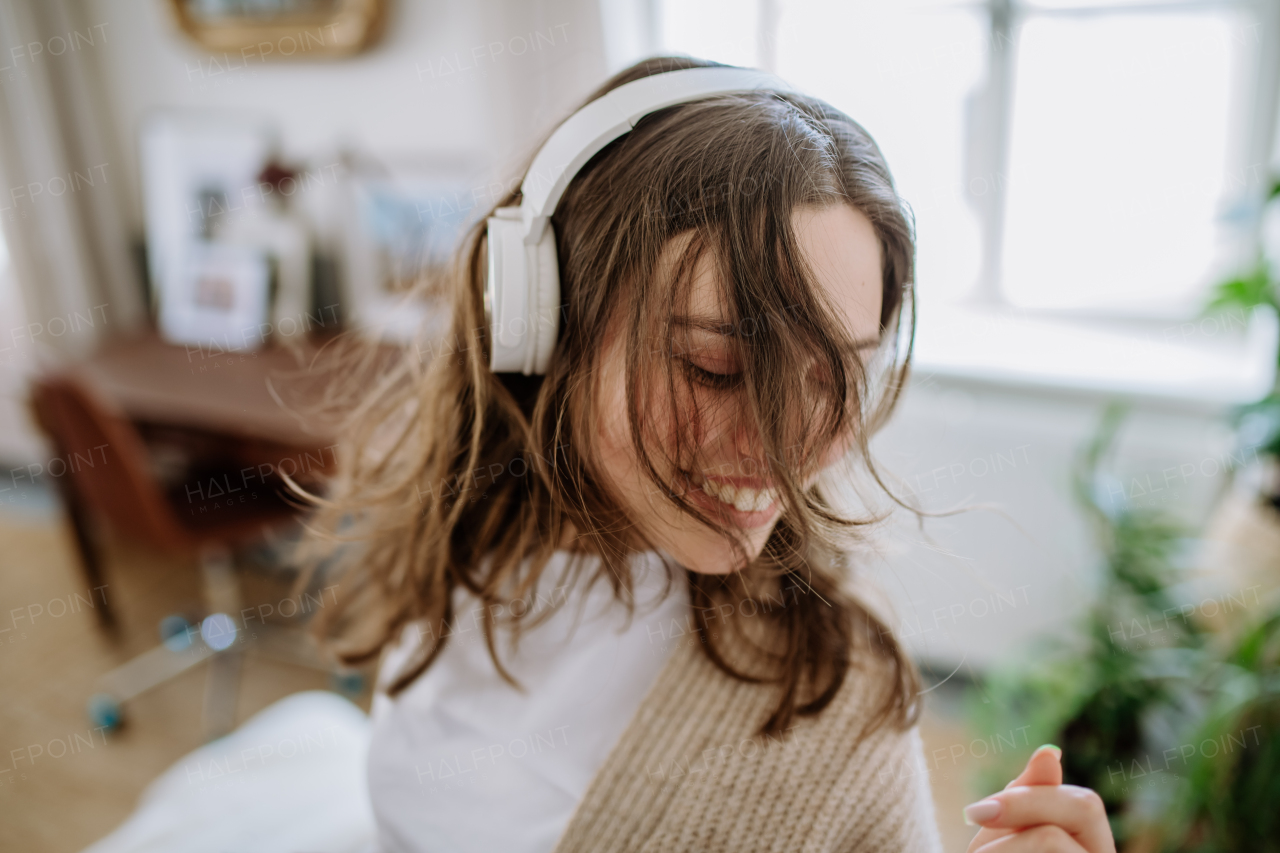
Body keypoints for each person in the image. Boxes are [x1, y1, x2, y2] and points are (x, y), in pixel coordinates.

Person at [298, 55, 1118, 853]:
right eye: (717, 368)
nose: (790, 452)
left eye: (841, 377)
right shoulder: (458, 543)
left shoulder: (837, 700)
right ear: (541, 322)